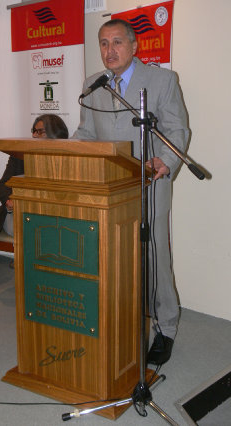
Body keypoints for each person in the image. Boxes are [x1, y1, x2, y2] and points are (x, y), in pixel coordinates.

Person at [73, 19, 190, 365]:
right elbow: (86, 132)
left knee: (153, 257)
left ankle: (165, 326)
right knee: (113, 256)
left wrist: (165, 161)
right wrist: (68, 154)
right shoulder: (92, 84)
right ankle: (123, 319)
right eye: (103, 44)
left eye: (117, 42)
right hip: (110, 186)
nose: (110, 51)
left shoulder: (162, 80)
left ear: (135, 45)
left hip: (150, 182)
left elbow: (177, 130)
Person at [0, 113, 69, 240]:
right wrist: (8, 201)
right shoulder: (19, 155)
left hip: (51, 215)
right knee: (38, 231)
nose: (34, 135)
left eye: (39, 131)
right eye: (34, 131)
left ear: (55, 133)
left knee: (54, 231)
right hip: (17, 214)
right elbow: (3, 185)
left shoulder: (69, 159)